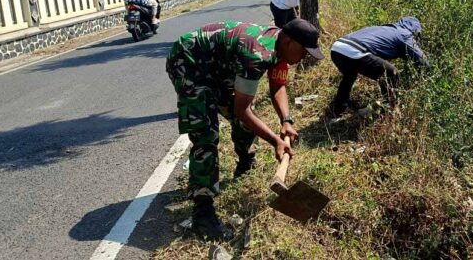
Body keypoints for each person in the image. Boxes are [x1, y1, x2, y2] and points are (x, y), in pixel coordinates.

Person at [166, 19, 324, 240]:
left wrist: (286, 120)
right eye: (304, 51)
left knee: (247, 121)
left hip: (218, 67)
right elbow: (243, 110)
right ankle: (202, 213)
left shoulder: (280, 47)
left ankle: (244, 166)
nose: (305, 57)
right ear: (288, 41)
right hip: (189, 62)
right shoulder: (256, 55)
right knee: (206, 134)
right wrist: (275, 141)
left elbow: (277, 85)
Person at [330, 17, 429, 116]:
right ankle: (386, 111)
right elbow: (424, 63)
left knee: (350, 75)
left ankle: (339, 109)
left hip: (337, 48)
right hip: (354, 51)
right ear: (415, 31)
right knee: (391, 74)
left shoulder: (386, 28)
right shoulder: (405, 35)